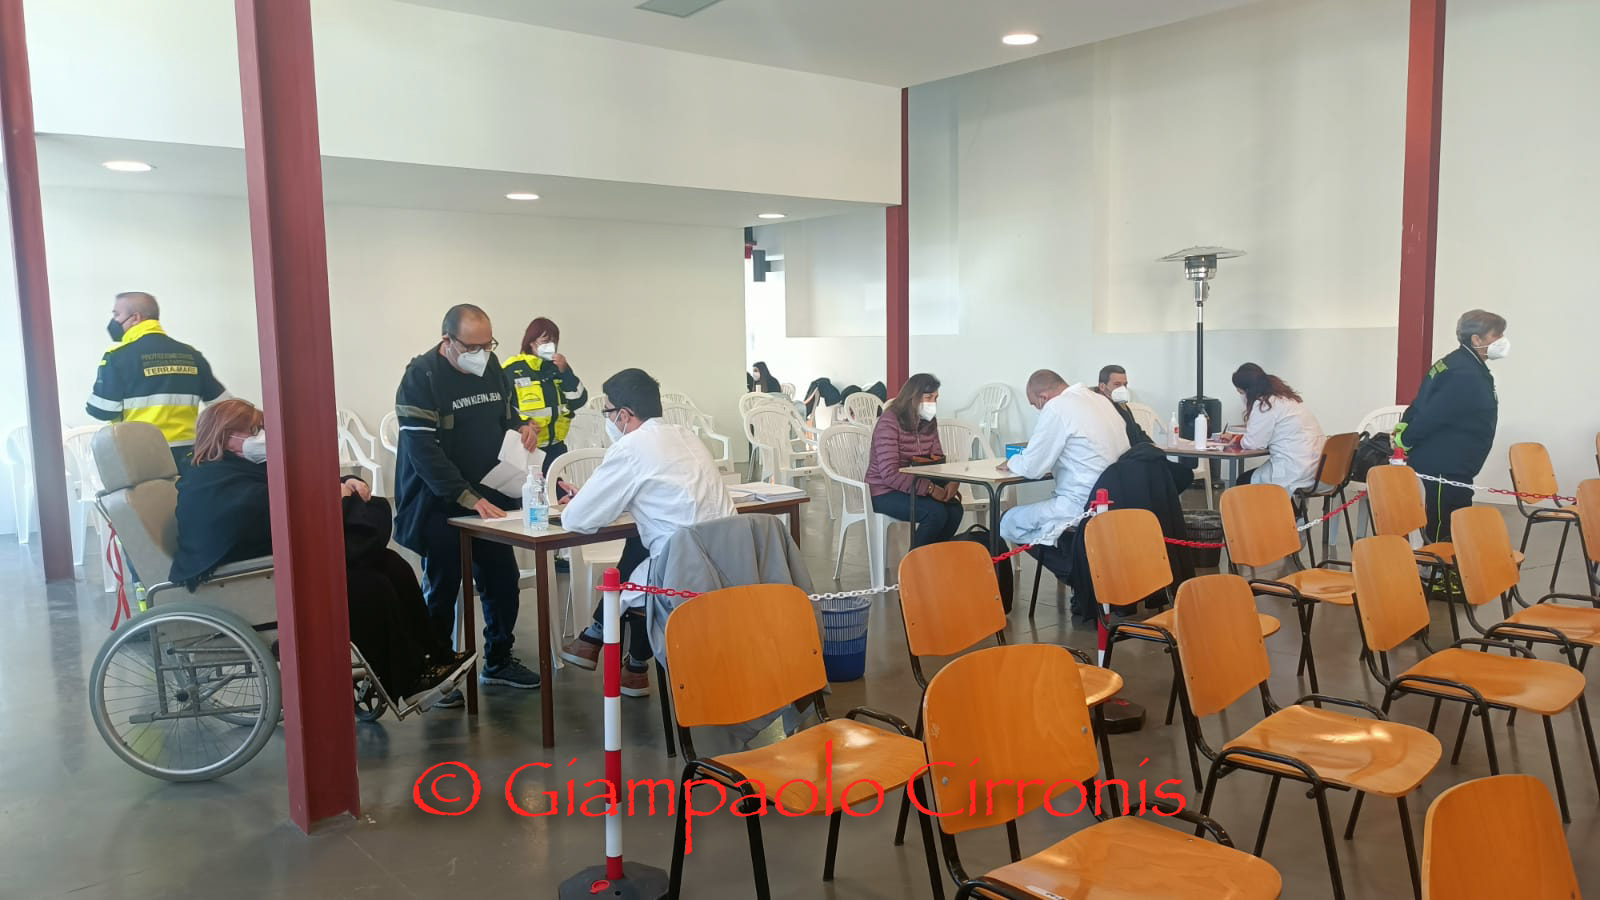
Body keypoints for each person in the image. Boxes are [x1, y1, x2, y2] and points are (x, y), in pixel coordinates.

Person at [170, 399, 469, 708]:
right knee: (367, 585)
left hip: (279, 565)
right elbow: (263, 510)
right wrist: (329, 496)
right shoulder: (207, 482)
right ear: (224, 436)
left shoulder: (244, 468)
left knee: (392, 565)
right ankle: (410, 678)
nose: (263, 437)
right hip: (250, 579)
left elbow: (294, 486)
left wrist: (346, 483)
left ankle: (435, 657)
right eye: (254, 430)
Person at [558, 368, 736, 697]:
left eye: (608, 412)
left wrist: (583, 501)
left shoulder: (632, 447)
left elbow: (576, 520)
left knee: (645, 553)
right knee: (642, 540)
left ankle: (599, 637)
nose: (608, 420)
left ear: (624, 415)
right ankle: (633, 664)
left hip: (682, 574)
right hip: (729, 566)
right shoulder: (686, 435)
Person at [394, 303, 538, 696]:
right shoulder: (421, 377)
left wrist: (522, 427)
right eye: (472, 346)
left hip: (489, 493)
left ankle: (499, 659)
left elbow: (505, 416)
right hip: (437, 499)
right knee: (443, 586)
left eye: (488, 344)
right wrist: (465, 496)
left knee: (502, 580)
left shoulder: (491, 367)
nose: (481, 353)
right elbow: (423, 452)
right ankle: (438, 670)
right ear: (448, 340)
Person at [1394, 309, 1508, 543]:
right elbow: (1433, 414)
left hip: (1454, 463)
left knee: (1454, 520)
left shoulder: (1457, 363)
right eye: (1496, 335)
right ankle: (1439, 566)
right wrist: (1406, 437)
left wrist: (1406, 427)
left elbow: (1422, 403)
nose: (1502, 340)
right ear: (1476, 339)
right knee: (1444, 526)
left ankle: (1449, 563)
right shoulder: (1464, 372)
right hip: (1444, 464)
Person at [86, 291, 229, 474]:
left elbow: (102, 410)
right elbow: (224, 405)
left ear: (135, 318)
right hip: (188, 454)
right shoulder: (191, 355)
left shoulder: (118, 357)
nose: (113, 320)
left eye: (116, 314)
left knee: (148, 494)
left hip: (139, 452)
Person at [998, 369, 1129, 547]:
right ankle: (1067, 550)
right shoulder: (1101, 401)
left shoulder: (1056, 407)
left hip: (1080, 504)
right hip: (1117, 500)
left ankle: (1067, 558)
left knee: (1008, 521)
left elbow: (1032, 468)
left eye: (1034, 404)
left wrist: (1012, 462)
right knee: (1043, 526)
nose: (1037, 409)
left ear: (1043, 398)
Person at [865, 373, 964, 547]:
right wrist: (930, 488)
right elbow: (889, 473)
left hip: (915, 487)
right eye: (928, 397)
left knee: (955, 510)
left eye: (936, 398)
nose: (933, 403)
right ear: (913, 397)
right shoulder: (889, 422)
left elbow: (937, 460)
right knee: (935, 513)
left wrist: (951, 481)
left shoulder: (929, 422)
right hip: (883, 491)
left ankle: (934, 558)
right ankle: (913, 561)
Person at [501, 316, 588, 474]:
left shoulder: (557, 368)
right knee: (528, 488)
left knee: (557, 487)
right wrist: (520, 424)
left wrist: (565, 372)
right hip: (527, 446)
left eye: (554, 341)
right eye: (545, 341)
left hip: (556, 446)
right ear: (531, 342)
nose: (551, 345)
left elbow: (578, 400)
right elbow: (502, 407)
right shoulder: (512, 368)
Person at [1093, 364, 1194, 493]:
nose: (1122, 389)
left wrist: (1151, 446)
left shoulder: (1123, 406)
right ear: (1102, 387)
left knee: (1183, 474)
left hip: (1139, 457)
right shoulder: (1099, 409)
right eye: (1117, 384)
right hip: (1124, 462)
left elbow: (1136, 430)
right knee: (1171, 477)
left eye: (1125, 384)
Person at [1230, 363, 1326, 494]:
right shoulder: (1289, 400)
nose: (1241, 397)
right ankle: (1289, 507)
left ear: (1248, 390)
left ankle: (1281, 507)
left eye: (1241, 392)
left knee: (1242, 481)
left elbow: (1253, 444)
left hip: (1295, 471)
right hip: (1319, 471)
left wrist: (1236, 439)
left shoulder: (1264, 404)